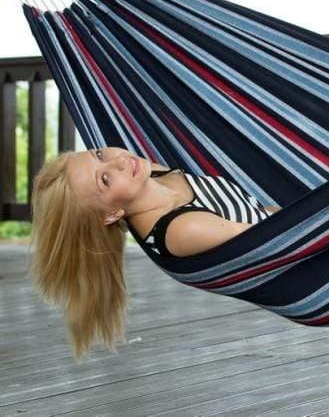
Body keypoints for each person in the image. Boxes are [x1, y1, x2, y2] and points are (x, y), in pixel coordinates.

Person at [28, 146, 281, 362]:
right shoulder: (181, 228)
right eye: (105, 180)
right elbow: (276, 238)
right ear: (113, 214)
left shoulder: (151, 174)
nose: (119, 161)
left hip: (287, 216)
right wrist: (317, 217)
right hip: (304, 257)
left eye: (99, 154)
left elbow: (261, 212)